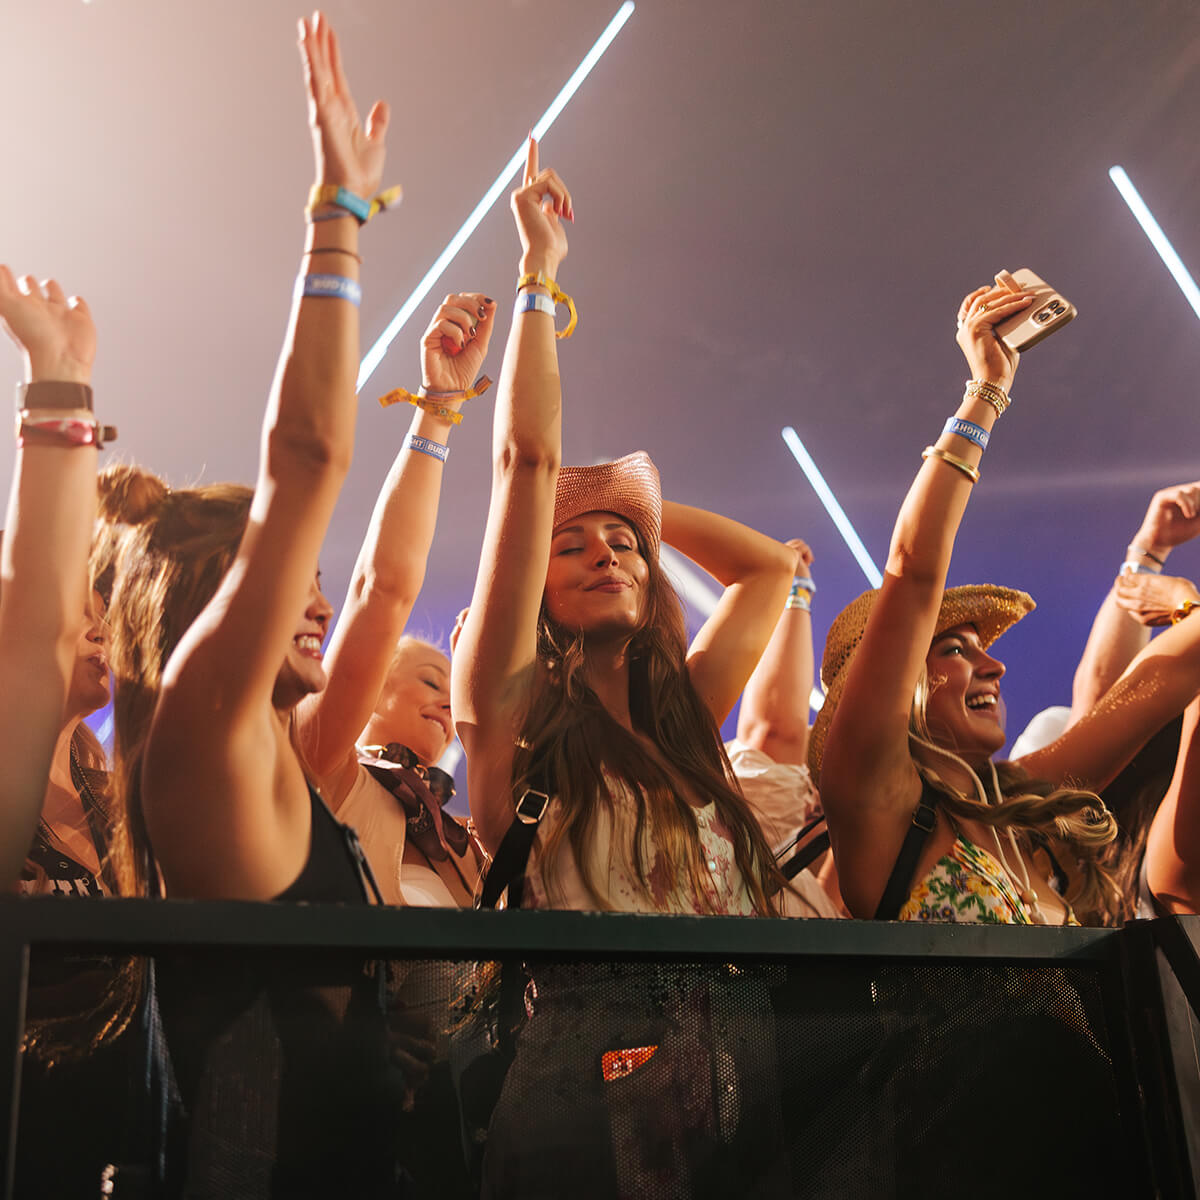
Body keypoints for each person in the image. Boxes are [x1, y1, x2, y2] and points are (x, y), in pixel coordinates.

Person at [97, 14, 414, 1195]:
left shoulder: (275, 748)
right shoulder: (206, 730)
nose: (317, 600)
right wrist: (339, 215)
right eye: (288, 580)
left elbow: (388, 587)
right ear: (214, 602)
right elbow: (312, 453)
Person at [450, 139, 797, 1200]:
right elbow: (526, 466)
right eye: (574, 546)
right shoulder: (505, 708)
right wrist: (539, 275)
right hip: (586, 1090)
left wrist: (637, 510)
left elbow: (768, 568)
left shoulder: (687, 713)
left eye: (625, 548)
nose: (606, 552)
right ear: (533, 591)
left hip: (742, 1061)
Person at [813, 273, 1200, 927]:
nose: (992, 665)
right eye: (955, 649)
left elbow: (1170, 672)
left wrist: (1169, 579)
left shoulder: (1024, 803)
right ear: (889, 680)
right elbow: (912, 573)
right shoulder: (872, 797)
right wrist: (986, 390)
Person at [295, 294, 495, 909]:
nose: (446, 699)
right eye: (432, 679)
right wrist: (437, 413)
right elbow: (381, 591)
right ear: (371, 684)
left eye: (449, 687)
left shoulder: (471, 843)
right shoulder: (323, 763)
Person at [0, 269, 104, 890]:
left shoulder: (120, 802)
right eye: (74, 612)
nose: (95, 628)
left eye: (97, 613)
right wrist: (59, 390)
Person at [726, 539, 845, 917]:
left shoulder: (821, 902)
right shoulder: (749, 849)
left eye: (815, 785)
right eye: (805, 780)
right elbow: (774, 734)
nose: (807, 800)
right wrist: (794, 591)